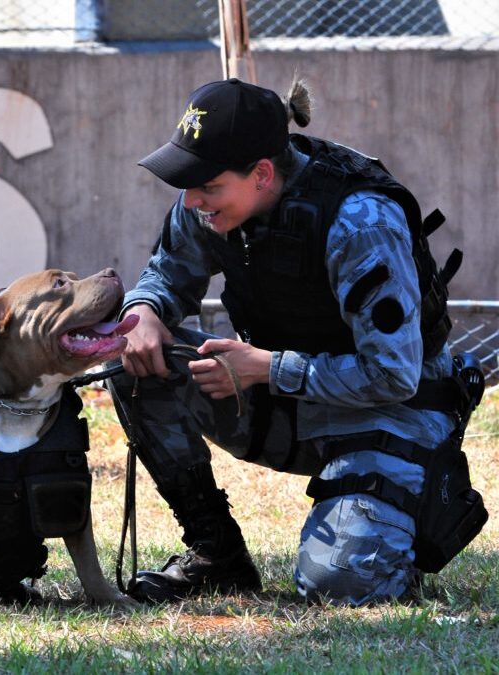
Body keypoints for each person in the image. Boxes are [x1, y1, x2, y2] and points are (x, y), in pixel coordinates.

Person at [110, 77, 487, 606]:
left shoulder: (358, 221)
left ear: (262, 173)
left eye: (207, 185)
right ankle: (215, 552)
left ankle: (404, 513)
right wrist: (144, 311)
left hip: (392, 410)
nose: (191, 198)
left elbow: (394, 374)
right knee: (135, 365)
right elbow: (166, 275)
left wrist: (266, 367)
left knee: (340, 584)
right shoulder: (209, 207)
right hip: (289, 398)